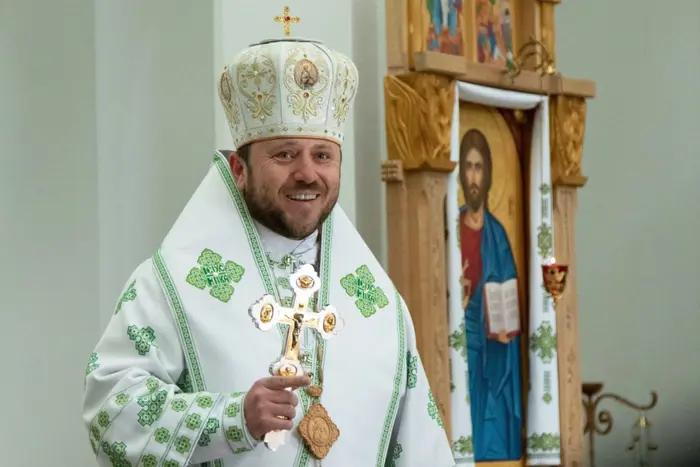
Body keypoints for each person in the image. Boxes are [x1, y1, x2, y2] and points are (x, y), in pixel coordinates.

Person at [82, 37, 456, 467]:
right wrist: (230, 419)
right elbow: (109, 412)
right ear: (239, 170)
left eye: (323, 155)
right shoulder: (171, 285)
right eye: (284, 154)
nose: (307, 173)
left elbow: (420, 446)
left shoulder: (380, 306)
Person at [458, 128, 523, 461]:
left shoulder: (498, 235)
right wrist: (459, 303)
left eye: (479, 167)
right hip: (461, 343)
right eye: (468, 166)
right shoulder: (450, 229)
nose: (473, 176)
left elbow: (508, 293)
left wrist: (507, 330)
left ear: (488, 175)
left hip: (493, 345)